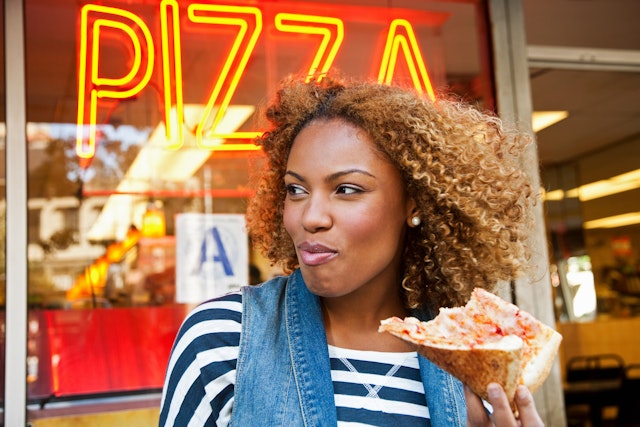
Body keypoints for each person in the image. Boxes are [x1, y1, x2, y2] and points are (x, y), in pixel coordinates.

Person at [159, 75, 544, 426]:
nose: (310, 217)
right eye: (296, 190)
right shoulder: (224, 339)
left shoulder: (473, 361)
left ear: (414, 203)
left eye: (346, 189)